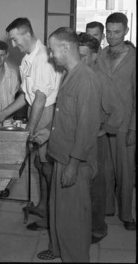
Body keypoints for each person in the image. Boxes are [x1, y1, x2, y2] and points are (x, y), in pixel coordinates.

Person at [37, 27, 101, 262]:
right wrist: (47, 132)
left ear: (65, 47)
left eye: (53, 50)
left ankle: (75, 257)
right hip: (61, 154)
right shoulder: (69, 73)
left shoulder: (86, 79)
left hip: (75, 160)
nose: (51, 56)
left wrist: (74, 165)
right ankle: (58, 249)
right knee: (59, 211)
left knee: (74, 216)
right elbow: (66, 115)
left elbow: (87, 128)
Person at [0, 18, 62, 231]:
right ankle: (43, 206)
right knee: (40, 165)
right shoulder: (27, 59)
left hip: (46, 114)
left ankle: (52, 216)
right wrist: (3, 113)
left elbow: (40, 99)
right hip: (36, 110)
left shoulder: (42, 58)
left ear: (27, 34)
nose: (13, 45)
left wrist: (29, 132)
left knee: (48, 167)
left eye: (15, 39)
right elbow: (27, 96)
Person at [78, 32, 125, 244]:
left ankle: (98, 229)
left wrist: (103, 129)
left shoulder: (100, 78)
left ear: (96, 55)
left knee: (96, 186)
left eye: (85, 56)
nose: (80, 60)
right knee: (82, 186)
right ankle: (83, 225)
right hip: (80, 136)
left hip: (96, 140)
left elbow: (118, 110)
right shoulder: (79, 72)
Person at [96, 12, 136, 231]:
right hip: (104, 124)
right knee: (105, 171)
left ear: (126, 31)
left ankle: (127, 214)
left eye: (117, 32)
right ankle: (107, 208)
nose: (111, 36)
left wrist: (133, 127)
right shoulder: (101, 56)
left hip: (125, 125)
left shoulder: (133, 58)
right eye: (108, 32)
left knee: (125, 171)